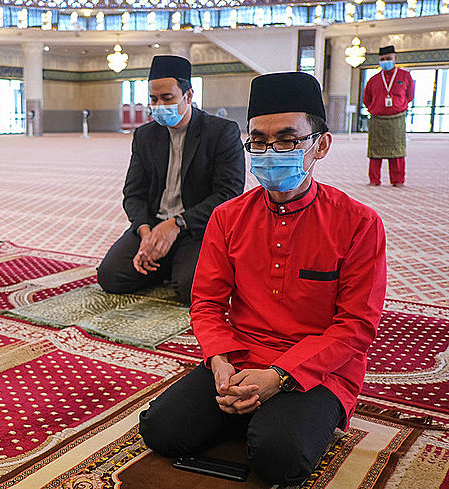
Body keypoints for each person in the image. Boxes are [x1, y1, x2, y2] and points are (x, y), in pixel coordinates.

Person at [138, 72, 387, 486]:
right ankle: (254, 410)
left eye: (288, 140)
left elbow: (356, 326)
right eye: (258, 140)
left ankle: (268, 419)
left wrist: (278, 378)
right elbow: (207, 304)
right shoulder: (228, 217)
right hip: (240, 354)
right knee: (162, 431)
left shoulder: (358, 223)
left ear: (320, 145)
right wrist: (219, 359)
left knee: (279, 458)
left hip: (319, 368)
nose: (271, 152)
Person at [97, 55, 245, 304]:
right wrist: (145, 232)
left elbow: (228, 195)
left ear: (188, 96)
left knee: (192, 291)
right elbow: (133, 193)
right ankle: (166, 261)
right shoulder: (145, 136)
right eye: (153, 99)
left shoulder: (221, 132)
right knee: (111, 278)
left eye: (167, 98)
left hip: (197, 229)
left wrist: (176, 224)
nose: (159, 106)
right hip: (153, 225)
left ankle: (175, 264)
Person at [362, 45, 415, 187]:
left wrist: (397, 106)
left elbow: (410, 96)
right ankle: (374, 180)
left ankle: (398, 180)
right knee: (375, 151)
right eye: (383, 59)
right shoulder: (373, 79)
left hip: (396, 119)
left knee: (397, 151)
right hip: (377, 119)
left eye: (388, 59)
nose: (386, 61)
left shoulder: (405, 76)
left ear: (395, 59)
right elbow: (366, 99)